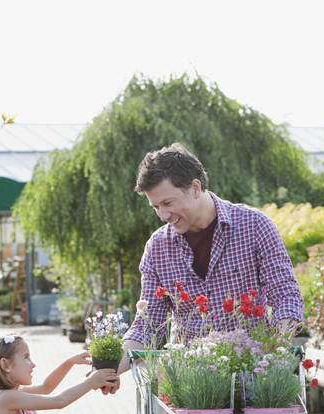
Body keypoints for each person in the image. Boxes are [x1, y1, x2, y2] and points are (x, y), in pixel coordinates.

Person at [107, 142, 304, 393]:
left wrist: (277, 347)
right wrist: (112, 369)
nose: (163, 215)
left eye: (168, 202)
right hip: (195, 388)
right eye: (156, 207)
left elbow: (286, 296)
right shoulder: (157, 248)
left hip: (256, 381)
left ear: (195, 188)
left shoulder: (254, 226)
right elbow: (148, 325)